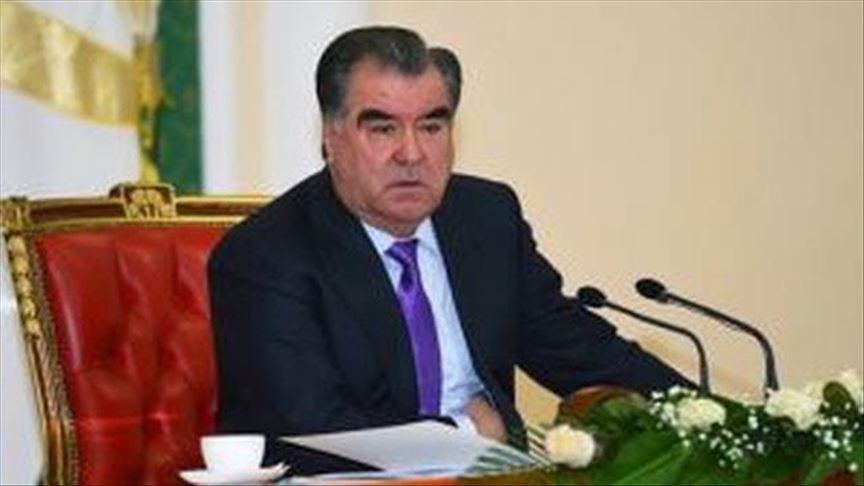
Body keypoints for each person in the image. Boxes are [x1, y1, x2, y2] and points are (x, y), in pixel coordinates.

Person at [208, 25, 691, 469]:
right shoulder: (267, 255)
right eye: (383, 128)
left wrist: (707, 417)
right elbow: (310, 430)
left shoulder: (486, 218)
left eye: (431, 127)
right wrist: (470, 432)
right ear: (331, 137)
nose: (411, 153)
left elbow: (579, 348)